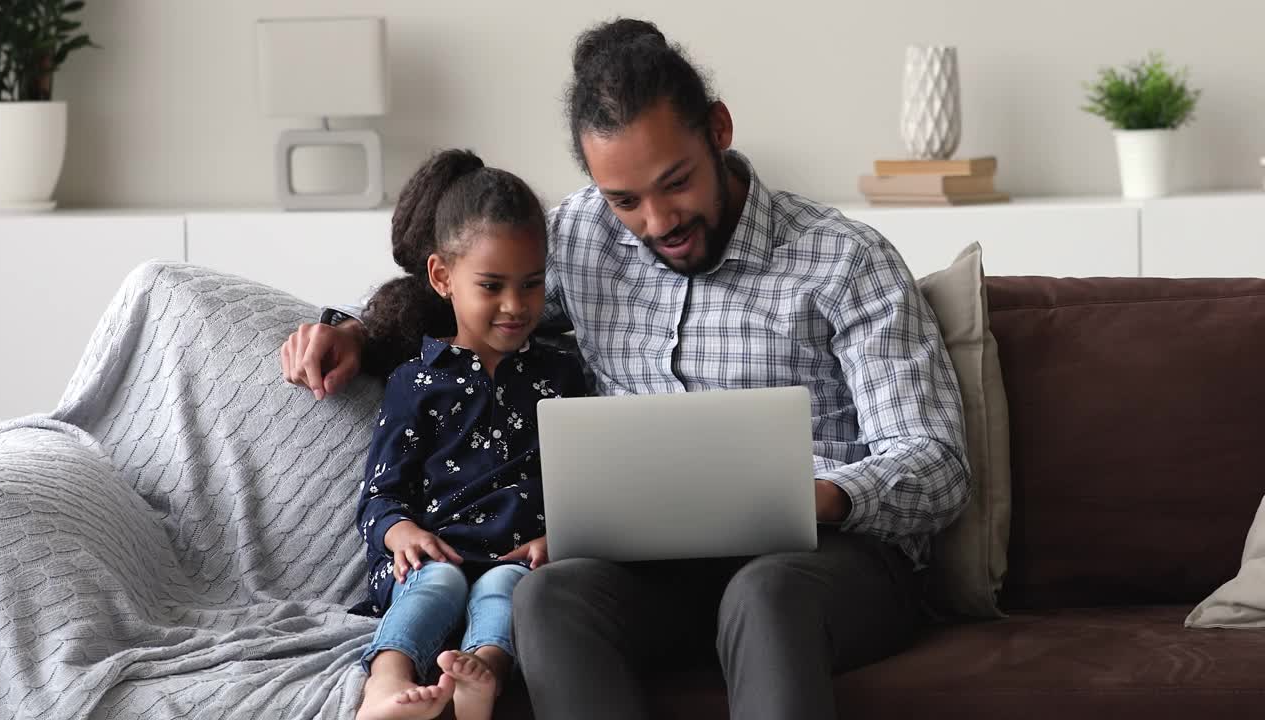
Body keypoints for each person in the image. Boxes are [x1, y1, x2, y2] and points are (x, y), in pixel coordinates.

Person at [283, 19, 971, 720]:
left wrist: (813, 496)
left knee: (764, 595)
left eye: (675, 183)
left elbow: (938, 463)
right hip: (650, 574)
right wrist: (361, 336)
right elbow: (473, 300)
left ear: (719, 130)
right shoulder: (582, 236)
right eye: (625, 200)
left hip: (821, 566)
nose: (657, 221)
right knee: (549, 596)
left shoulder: (846, 260)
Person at [350, 149, 586, 720]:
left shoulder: (561, 375)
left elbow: (586, 485)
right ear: (442, 277)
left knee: (510, 592)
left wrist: (564, 538)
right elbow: (379, 494)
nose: (515, 305)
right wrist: (401, 532)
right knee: (439, 585)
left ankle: (480, 678)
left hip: (519, 559)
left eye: (531, 285)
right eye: (492, 286)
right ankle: (387, 680)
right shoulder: (415, 381)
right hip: (433, 558)